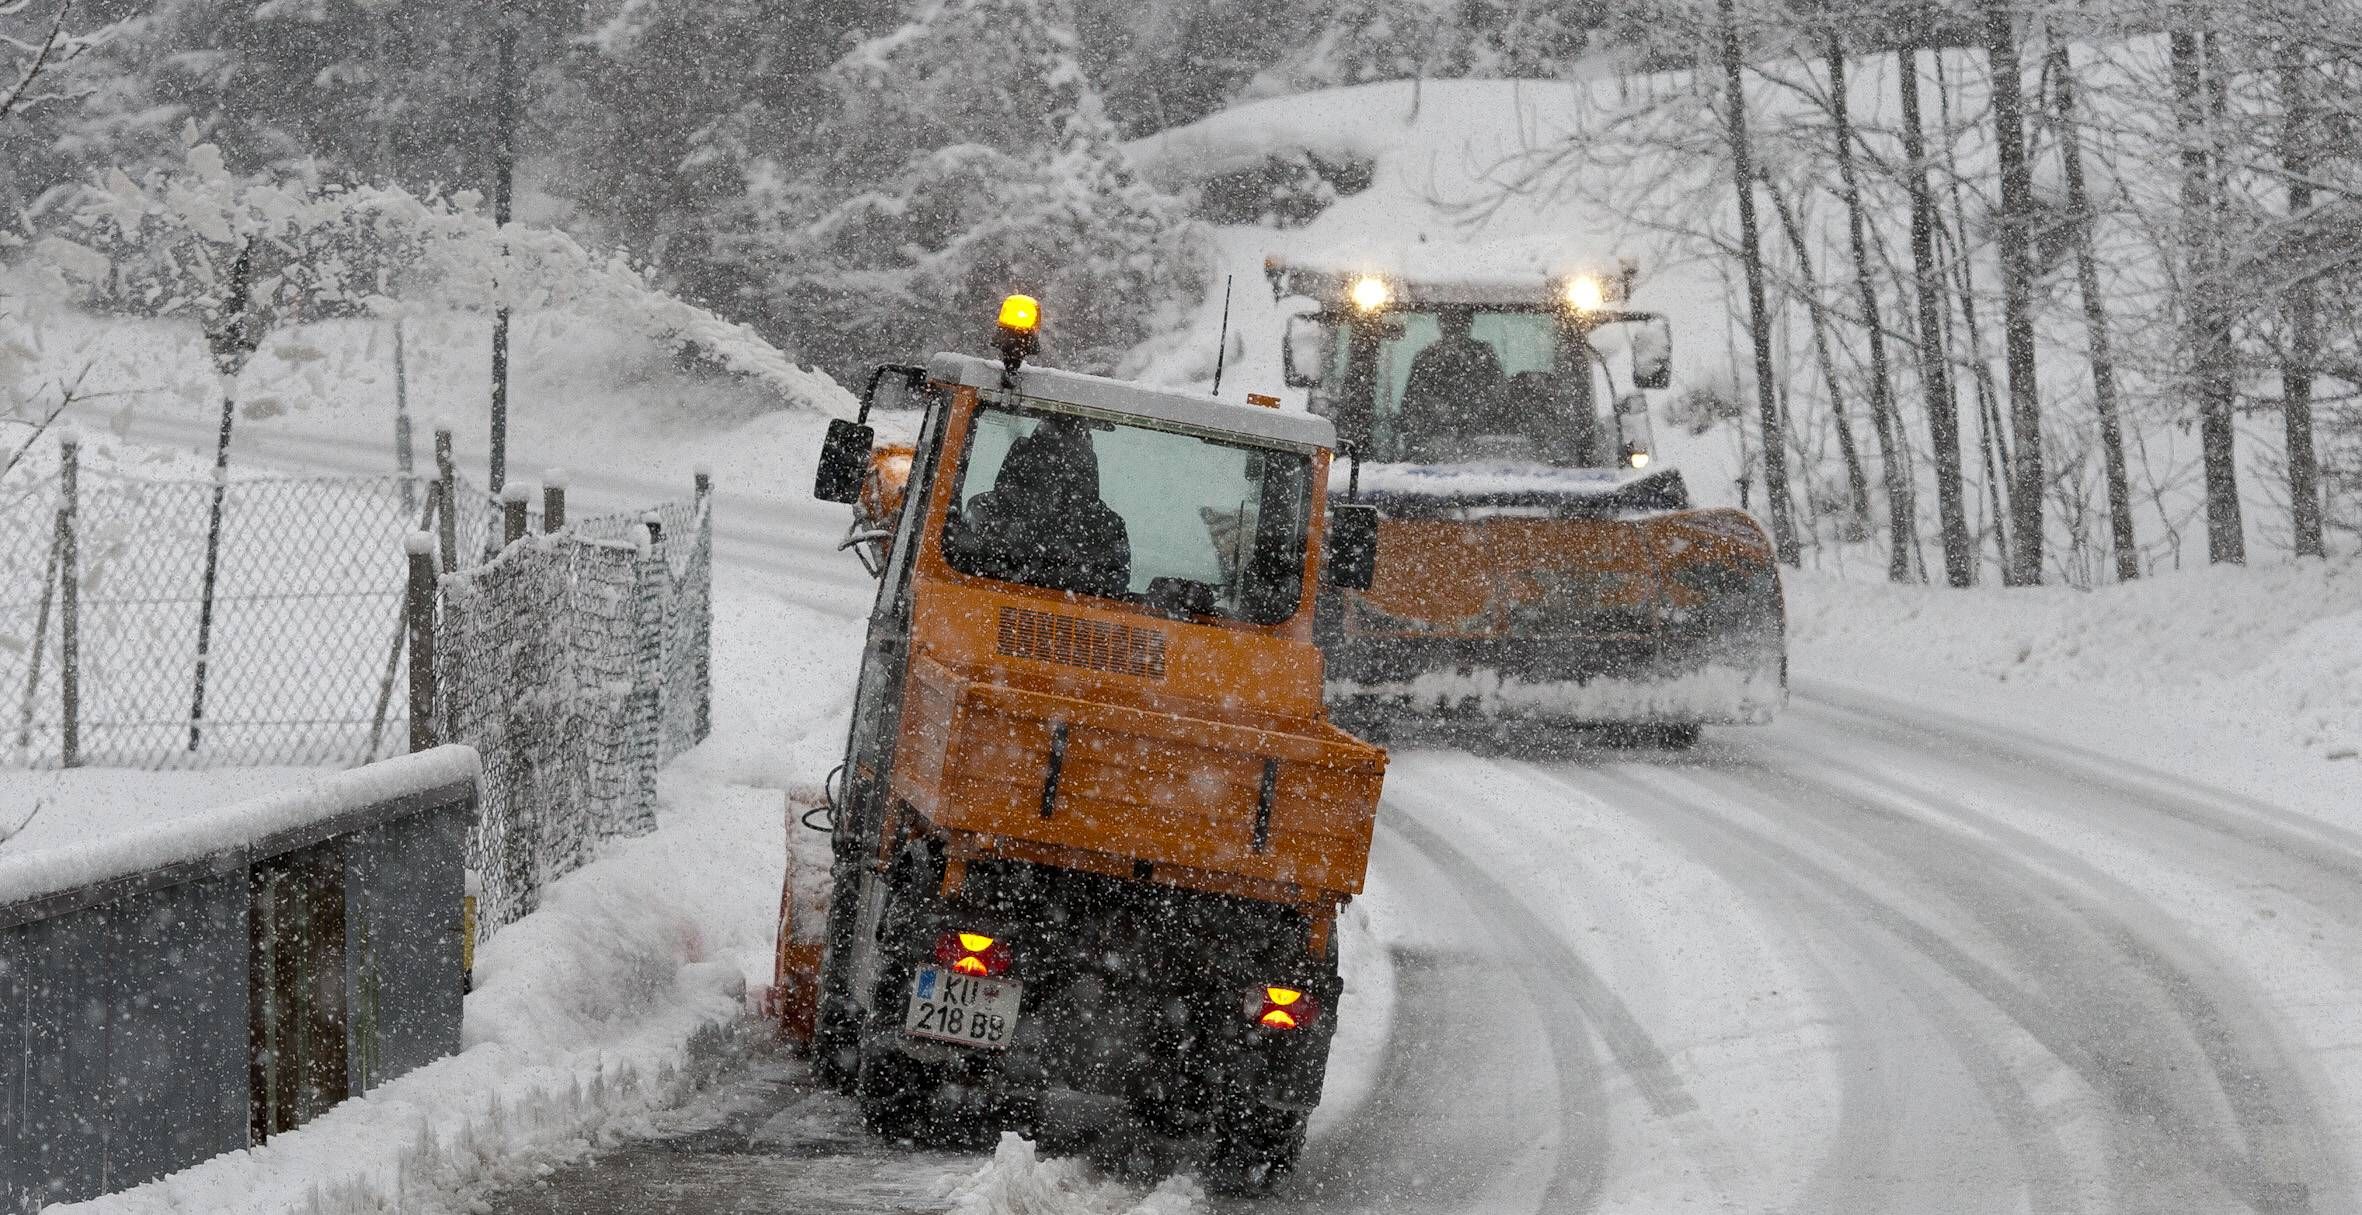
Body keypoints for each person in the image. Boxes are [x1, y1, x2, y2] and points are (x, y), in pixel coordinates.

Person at [958, 417, 1132, 599]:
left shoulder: (984, 508)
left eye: (1072, 459)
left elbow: (1112, 594)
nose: (1056, 472)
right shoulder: (1106, 526)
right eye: (1050, 455)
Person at [1399, 307, 1505, 460]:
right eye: (1449, 321)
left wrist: (1473, 418)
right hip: (1431, 451)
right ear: (1441, 324)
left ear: (1469, 323)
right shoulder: (1427, 358)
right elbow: (1410, 407)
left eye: (1459, 321)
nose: (1454, 327)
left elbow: (1498, 396)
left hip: (1483, 451)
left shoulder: (1484, 355)